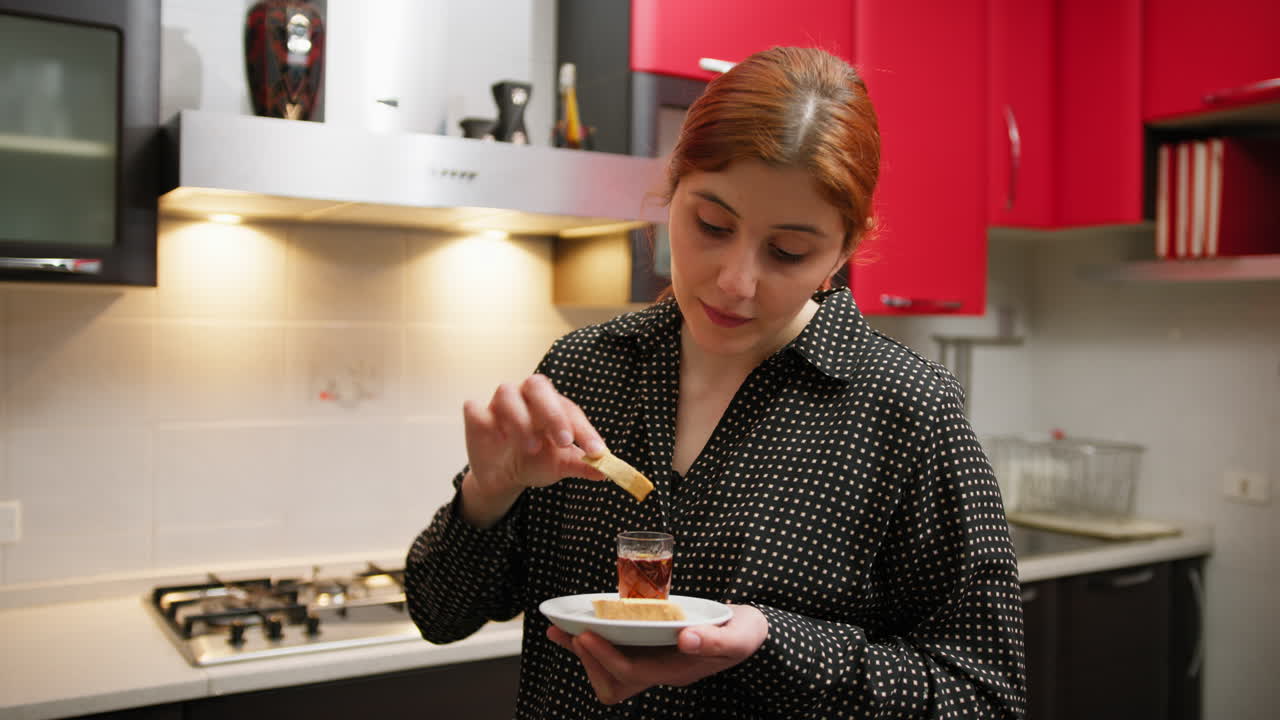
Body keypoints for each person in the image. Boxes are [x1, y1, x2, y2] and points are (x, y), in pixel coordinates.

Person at [405, 46, 1026, 719]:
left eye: (788, 251)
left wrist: (777, 646)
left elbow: (985, 695)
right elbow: (439, 612)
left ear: (844, 250)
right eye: (711, 225)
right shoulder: (585, 369)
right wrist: (486, 493)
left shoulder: (905, 412)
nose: (736, 281)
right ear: (673, 187)